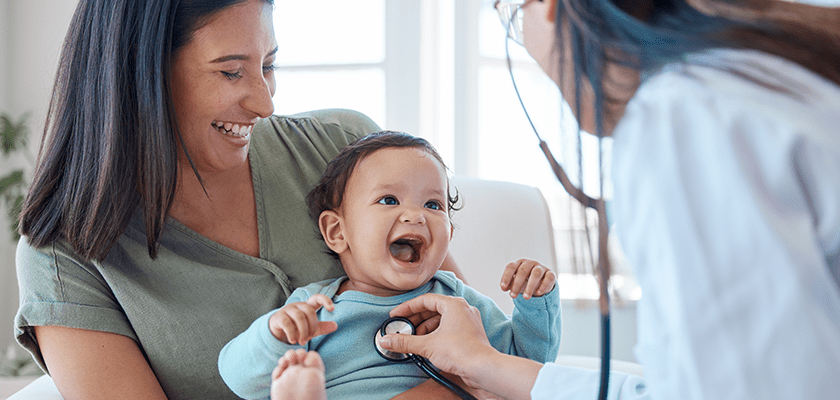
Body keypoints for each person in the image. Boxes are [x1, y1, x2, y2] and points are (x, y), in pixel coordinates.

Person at [377, 0, 840, 399]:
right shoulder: (768, 73)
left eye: (514, 16)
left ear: (548, 5)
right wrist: (484, 365)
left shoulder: (682, 119)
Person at [13, 1, 467, 399]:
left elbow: (471, 337)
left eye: (268, 66)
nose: (265, 103)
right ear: (140, 72)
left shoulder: (347, 150)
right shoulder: (63, 257)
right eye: (231, 71)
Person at [218, 131, 560, 400]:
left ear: (450, 234)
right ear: (338, 232)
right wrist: (275, 334)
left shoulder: (457, 302)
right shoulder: (317, 308)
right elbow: (239, 379)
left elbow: (523, 367)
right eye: (389, 200)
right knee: (297, 375)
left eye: (433, 204)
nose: (415, 215)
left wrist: (534, 302)